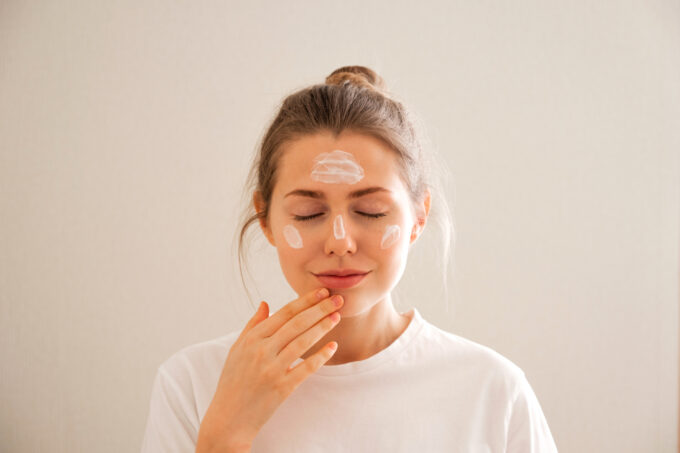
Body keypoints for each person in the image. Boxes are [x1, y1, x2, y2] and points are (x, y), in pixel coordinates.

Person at [140, 66, 558, 452]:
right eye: (308, 214)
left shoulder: (493, 391)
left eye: (372, 212)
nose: (340, 242)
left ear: (419, 216)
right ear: (265, 217)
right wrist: (224, 435)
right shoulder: (193, 383)